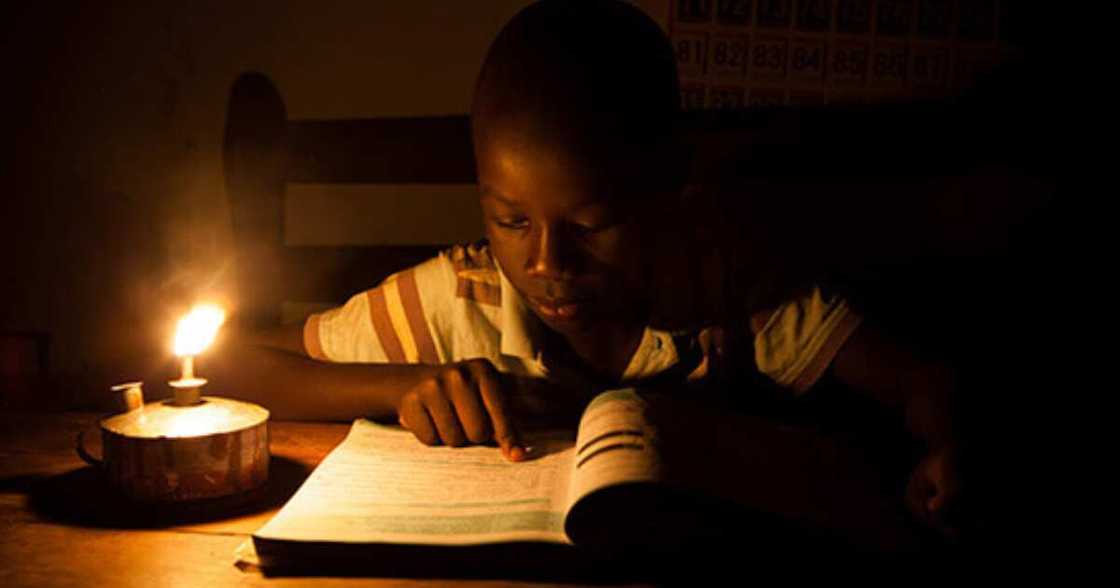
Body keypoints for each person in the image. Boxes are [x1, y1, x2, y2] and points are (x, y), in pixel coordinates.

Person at [216, 0, 964, 539]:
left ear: (666, 192)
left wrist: (947, 451)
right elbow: (227, 366)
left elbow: (922, 381)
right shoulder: (459, 299)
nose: (545, 263)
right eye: (511, 220)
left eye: (590, 225)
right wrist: (400, 385)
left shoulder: (727, 292)